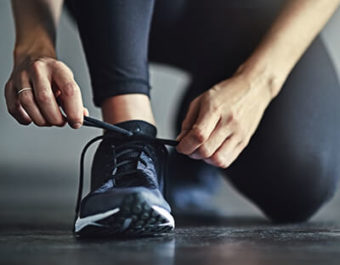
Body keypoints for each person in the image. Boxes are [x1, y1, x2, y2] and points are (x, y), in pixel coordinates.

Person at [5, 0, 340, 237]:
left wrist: (259, 83)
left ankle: (195, 126)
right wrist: (33, 46)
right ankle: (129, 140)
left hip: (254, 15)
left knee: (301, 181)